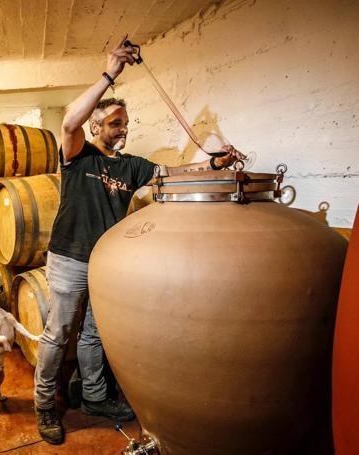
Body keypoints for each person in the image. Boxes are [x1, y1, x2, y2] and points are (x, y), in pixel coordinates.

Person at [34, 36, 245, 445]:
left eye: (126, 124)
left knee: (94, 333)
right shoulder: (78, 154)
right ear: (97, 126)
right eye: (115, 123)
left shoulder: (132, 166)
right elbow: (67, 124)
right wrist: (109, 74)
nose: (123, 129)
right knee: (59, 333)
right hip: (70, 258)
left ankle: (94, 397)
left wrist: (215, 162)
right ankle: (44, 405)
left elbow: (176, 173)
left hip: (107, 261)